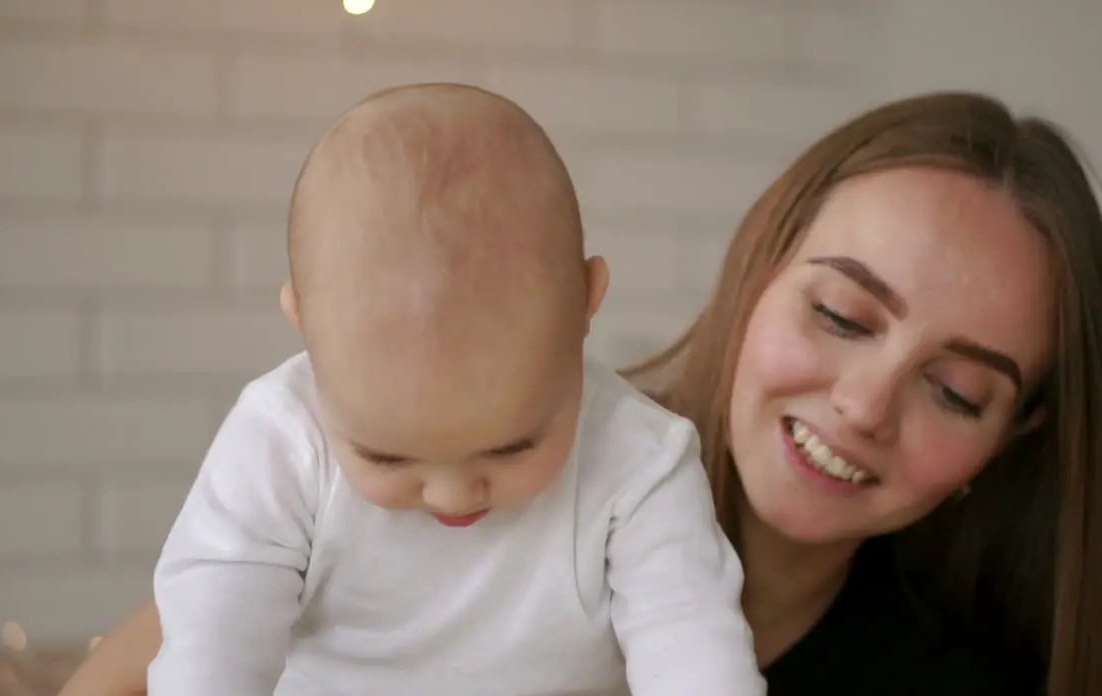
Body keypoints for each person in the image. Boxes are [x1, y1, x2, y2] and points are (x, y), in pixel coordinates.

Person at [58, 90, 1102, 696]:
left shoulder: (940, 682)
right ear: (755, 270)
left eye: (954, 390)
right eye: (841, 316)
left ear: (1015, 435)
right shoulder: (418, 443)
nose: (863, 401)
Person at [141, 82, 766, 696]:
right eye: (386, 456)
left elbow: (691, 638)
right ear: (304, 324)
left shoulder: (641, 458)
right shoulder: (281, 438)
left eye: (512, 446)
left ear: (586, 302)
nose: (451, 493)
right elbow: (214, 639)